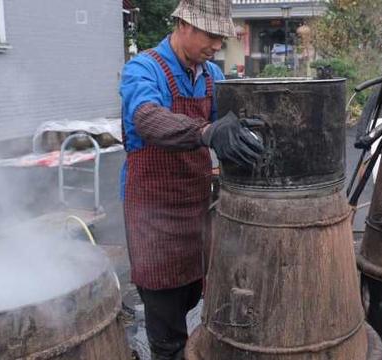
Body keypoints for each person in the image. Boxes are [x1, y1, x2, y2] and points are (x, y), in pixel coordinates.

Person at [119, 1, 263, 359]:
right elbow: (148, 119)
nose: (217, 45)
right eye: (212, 36)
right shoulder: (143, 69)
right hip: (152, 212)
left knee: (196, 290)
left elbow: (235, 120)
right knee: (164, 309)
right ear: (184, 25)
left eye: (221, 37)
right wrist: (207, 130)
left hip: (197, 205)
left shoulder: (212, 76)